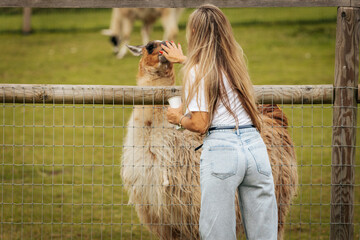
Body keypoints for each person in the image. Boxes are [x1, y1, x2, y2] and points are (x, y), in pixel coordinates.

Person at [162, 4, 278, 240]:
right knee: (264, 233)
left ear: (194, 32)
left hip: (222, 150)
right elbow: (212, 69)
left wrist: (177, 118)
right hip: (255, 148)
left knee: (217, 233)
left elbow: (200, 124)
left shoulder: (196, 71)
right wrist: (186, 60)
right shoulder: (236, 64)